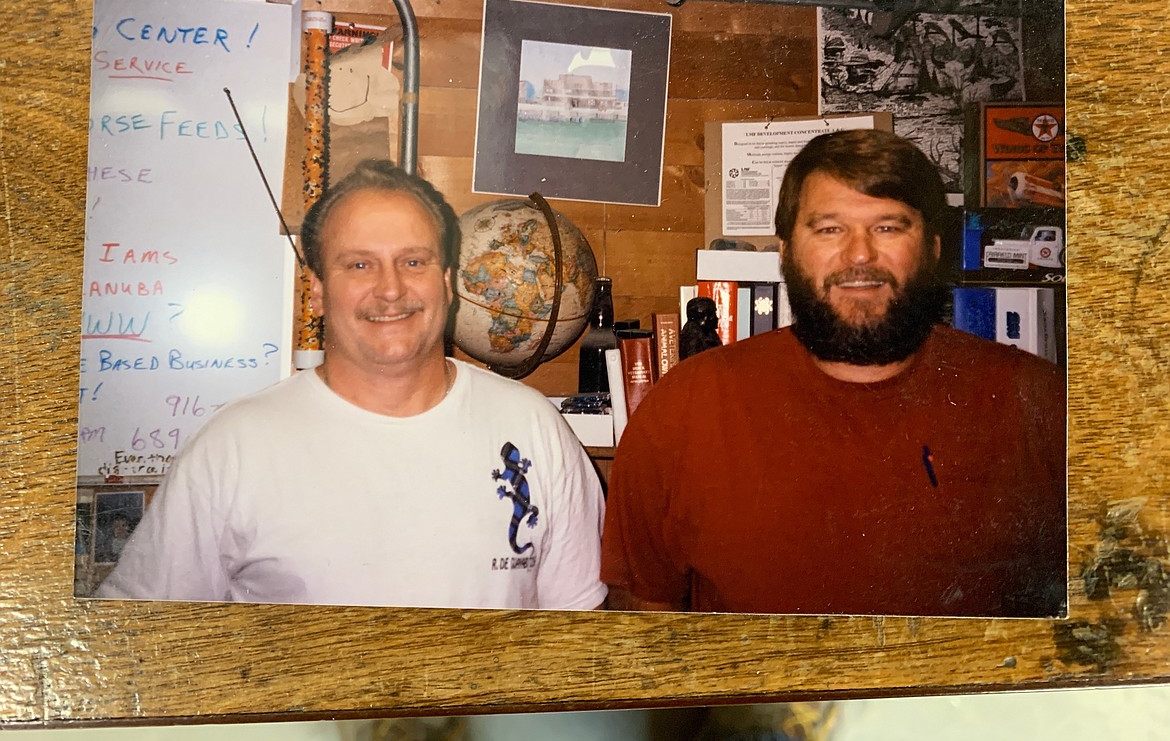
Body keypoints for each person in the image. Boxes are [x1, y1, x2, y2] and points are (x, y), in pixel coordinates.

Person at [99, 160, 607, 610]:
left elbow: (581, 635)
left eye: (413, 262)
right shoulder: (232, 446)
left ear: (448, 283)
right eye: (359, 264)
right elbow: (132, 642)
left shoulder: (533, 426)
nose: (390, 289)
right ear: (317, 291)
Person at [601, 129, 1066, 618]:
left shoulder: (1040, 404)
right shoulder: (686, 407)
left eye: (888, 227)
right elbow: (645, 622)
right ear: (785, 252)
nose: (860, 255)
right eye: (829, 229)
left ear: (932, 248)